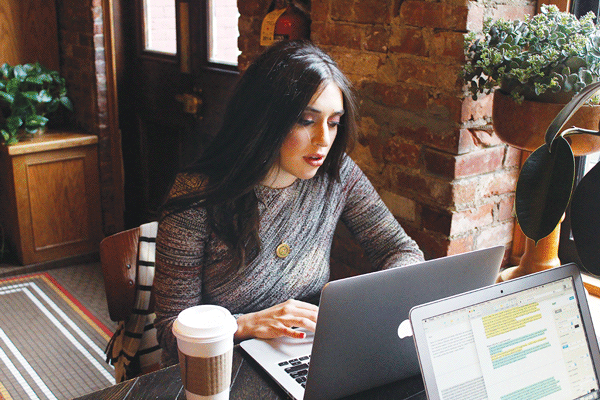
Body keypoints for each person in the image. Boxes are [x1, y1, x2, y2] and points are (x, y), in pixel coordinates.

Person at [153, 40, 424, 366]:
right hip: (224, 369)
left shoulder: (336, 175)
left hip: (307, 358)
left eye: (334, 122)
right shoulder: (196, 198)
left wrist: (368, 303)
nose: (324, 139)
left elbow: (402, 250)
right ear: (265, 119)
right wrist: (243, 324)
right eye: (307, 120)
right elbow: (171, 333)